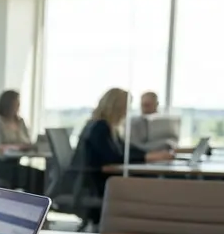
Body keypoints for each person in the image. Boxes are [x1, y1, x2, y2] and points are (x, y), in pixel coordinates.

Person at [74, 88, 173, 221]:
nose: (126, 113)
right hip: (98, 185)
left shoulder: (105, 126)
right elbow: (114, 157)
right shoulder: (99, 127)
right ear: (117, 108)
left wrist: (150, 154)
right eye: (125, 108)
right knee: (152, 184)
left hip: (102, 181)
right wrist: (147, 157)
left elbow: (126, 149)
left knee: (151, 180)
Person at [0, 90, 33, 158]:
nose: (17, 106)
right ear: (7, 105)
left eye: (18, 103)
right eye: (14, 104)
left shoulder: (20, 121)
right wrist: (15, 147)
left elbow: (27, 141)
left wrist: (28, 146)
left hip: (15, 159)